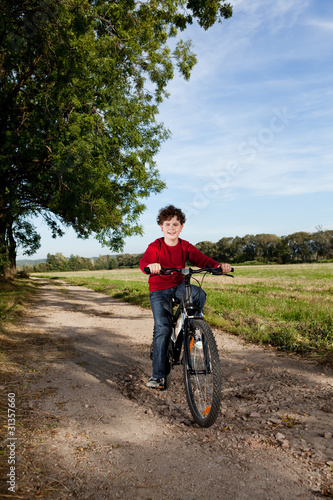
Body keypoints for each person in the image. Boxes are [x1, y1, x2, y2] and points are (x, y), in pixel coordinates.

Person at [139, 204, 232, 389]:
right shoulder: (155, 246)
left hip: (179, 285)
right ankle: (158, 376)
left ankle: (195, 329)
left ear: (181, 227)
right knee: (163, 329)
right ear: (161, 227)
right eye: (167, 224)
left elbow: (202, 260)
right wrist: (151, 266)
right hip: (159, 290)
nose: (171, 228)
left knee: (198, 293)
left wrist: (218, 266)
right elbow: (145, 261)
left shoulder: (185, 246)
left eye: (175, 224)